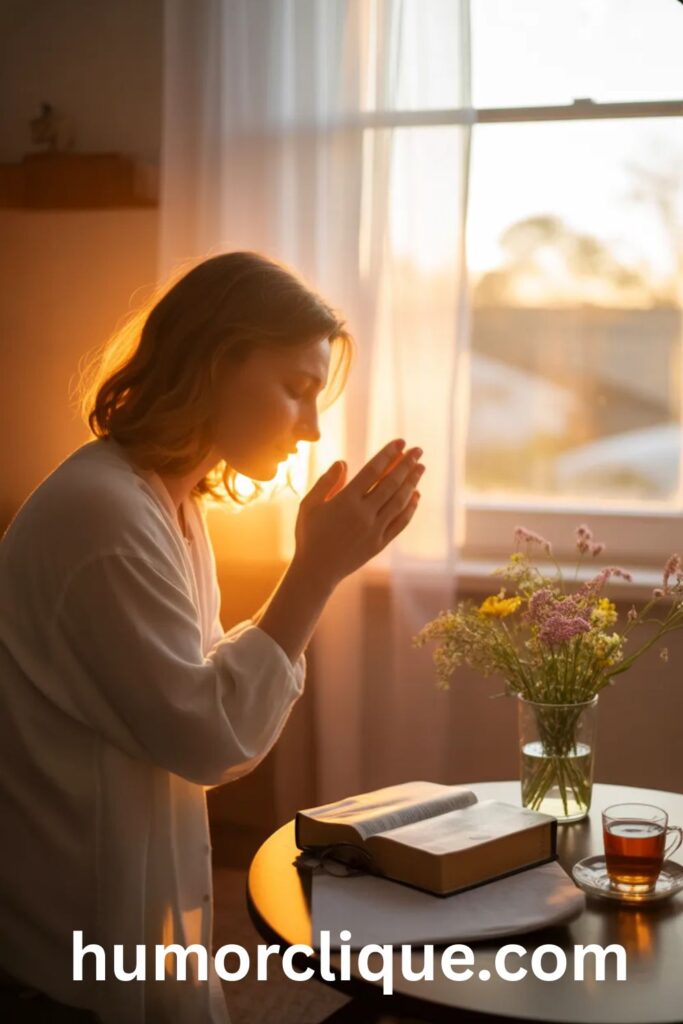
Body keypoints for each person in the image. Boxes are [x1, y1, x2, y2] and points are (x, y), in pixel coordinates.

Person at [0, 251, 425, 1023]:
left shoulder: (166, 502)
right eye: (295, 389)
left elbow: (192, 688)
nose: (313, 425)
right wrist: (315, 574)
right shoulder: (104, 515)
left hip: (125, 915)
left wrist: (314, 573)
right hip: (71, 961)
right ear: (215, 363)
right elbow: (208, 735)